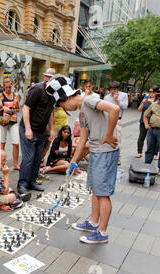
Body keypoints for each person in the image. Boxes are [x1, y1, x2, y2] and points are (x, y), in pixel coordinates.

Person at [46, 75, 120, 244]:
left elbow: (114, 110)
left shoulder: (89, 100)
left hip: (105, 151)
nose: (65, 108)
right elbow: (83, 138)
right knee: (95, 189)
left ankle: (102, 232)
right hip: (95, 151)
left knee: (102, 193)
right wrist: (74, 161)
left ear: (68, 97)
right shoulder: (82, 112)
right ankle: (93, 223)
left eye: (63, 104)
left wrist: (109, 135)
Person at [17, 70, 56, 197]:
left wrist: (51, 129)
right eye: (48, 77)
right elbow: (26, 108)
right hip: (28, 128)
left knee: (37, 158)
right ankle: (22, 184)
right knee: (28, 158)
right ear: (46, 78)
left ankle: (32, 182)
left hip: (41, 131)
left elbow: (50, 112)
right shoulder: (37, 90)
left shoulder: (53, 94)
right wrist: (28, 129)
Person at [0, 76, 20, 170]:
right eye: (6, 87)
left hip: (13, 121)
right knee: (2, 143)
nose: (8, 89)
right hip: (3, 122)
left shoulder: (16, 95)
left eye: (10, 87)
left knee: (16, 143)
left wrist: (17, 102)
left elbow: (18, 110)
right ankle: (1, 163)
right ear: (3, 87)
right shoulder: (0, 96)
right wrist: (3, 108)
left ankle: (15, 164)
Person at [104, 81, 128, 166]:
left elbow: (125, 106)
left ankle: (118, 158)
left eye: (113, 89)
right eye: (110, 89)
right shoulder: (107, 97)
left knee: (117, 138)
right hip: (108, 119)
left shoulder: (124, 95)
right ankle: (107, 155)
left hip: (117, 120)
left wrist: (117, 100)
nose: (112, 91)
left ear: (117, 89)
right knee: (107, 137)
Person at [136, 86, 159, 158]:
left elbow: (158, 108)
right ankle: (139, 152)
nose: (151, 93)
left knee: (154, 139)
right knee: (141, 137)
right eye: (150, 91)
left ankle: (155, 154)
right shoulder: (145, 99)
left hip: (154, 122)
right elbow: (139, 110)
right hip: (143, 121)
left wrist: (150, 101)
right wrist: (143, 103)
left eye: (153, 92)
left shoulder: (158, 100)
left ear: (156, 93)